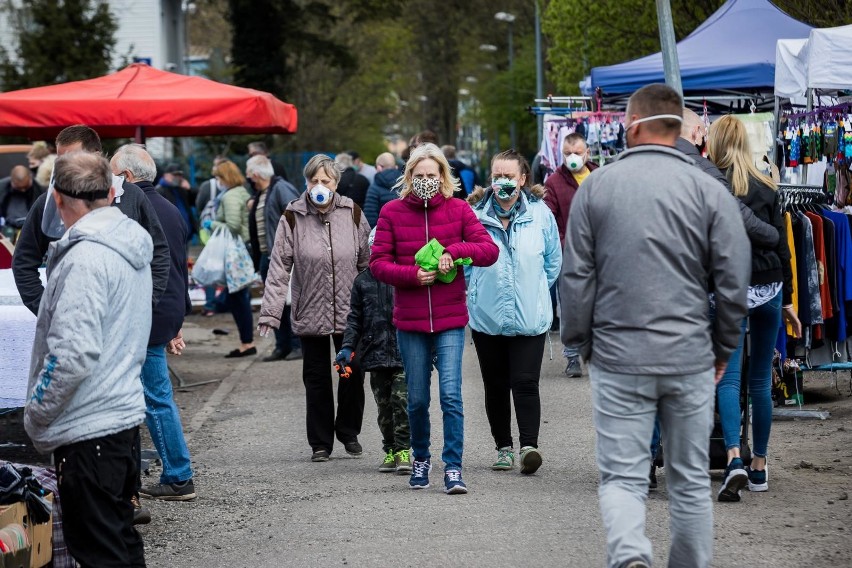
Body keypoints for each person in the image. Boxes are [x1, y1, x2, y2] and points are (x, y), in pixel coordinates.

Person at [561, 84, 750, 568]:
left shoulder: (597, 187)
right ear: (680, 127)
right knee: (688, 481)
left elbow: (577, 276)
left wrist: (579, 342)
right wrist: (724, 347)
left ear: (633, 123)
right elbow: (733, 281)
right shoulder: (710, 189)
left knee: (622, 477)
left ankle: (630, 558)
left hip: (618, 355)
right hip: (689, 356)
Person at [24, 150, 152, 568]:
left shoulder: (86, 257)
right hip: (118, 420)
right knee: (120, 543)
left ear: (58, 200)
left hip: (89, 429)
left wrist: (38, 413)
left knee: (101, 551)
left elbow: (72, 354)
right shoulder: (125, 242)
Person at [370, 142, 499, 494]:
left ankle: (453, 466)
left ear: (443, 176)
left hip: (450, 319)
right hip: (410, 321)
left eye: (432, 174)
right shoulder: (391, 213)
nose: (426, 180)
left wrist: (455, 253)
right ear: (409, 177)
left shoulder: (458, 210)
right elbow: (378, 264)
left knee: (451, 396)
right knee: (416, 398)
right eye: (420, 175)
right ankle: (422, 459)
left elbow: (489, 250)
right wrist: (412, 275)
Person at [707, 115, 800, 502]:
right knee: (761, 380)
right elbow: (782, 246)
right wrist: (791, 300)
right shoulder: (767, 186)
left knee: (728, 378)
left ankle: (733, 458)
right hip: (769, 286)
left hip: (728, 289)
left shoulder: (712, 187)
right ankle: (760, 466)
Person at [258, 154, 371, 462]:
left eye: (326, 181)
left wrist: (373, 310)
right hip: (310, 308)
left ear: (336, 183)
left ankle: (348, 431)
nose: (319, 186)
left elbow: (367, 265)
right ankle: (320, 442)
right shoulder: (292, 217)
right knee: (316, 376)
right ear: (305, 182)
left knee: (352, 372)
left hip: (350, 313)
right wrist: (270, 312)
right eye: (314, 180)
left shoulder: (354, 213)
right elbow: (279, 267)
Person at [110, 144, 196, 502]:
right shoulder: (170, 209)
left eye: (114, 175)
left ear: (127, 177)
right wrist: (177, 319)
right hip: (165, 310)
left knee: (156, 398)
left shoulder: (131, 209)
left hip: (146, 314)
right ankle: (176, 473)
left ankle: (178, 476)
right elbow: (177, 267)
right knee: (156, 396)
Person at [466, 149, 561, 475]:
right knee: (495, 385)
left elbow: (552, 263)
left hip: (529, 316)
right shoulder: (474, 215)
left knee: (525, 382)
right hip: (486, 316)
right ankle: (503, 447)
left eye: (509, 176)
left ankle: (528, 447)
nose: (502, 182)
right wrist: (475, 292)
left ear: (522, 178)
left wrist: (532, 291)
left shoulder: (541, 215)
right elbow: (466, 264)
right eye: (497, 176)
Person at [12, 125, 170, 317]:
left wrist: (146, 302)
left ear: (96, 155)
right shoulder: (50, 201)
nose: (66, 167)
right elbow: (23, 261)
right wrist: (45, 308)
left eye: (73, 158)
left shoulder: (131, 194)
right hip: (70, 323)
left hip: (123, 321)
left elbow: (159, 251)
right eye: (61, 160)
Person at [338, 227, 411, 474]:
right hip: (375, 353)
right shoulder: (362, 281)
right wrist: (348, 347)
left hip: (404, 352)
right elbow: (354, 318)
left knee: (402, 402)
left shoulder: (404, 274)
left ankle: (404, 450)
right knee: (384, 407)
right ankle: (389, 448)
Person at [544, 132, 598, 378]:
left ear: (587, 152)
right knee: (569, 306)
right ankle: (572, 356)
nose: (573, 157)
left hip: (598, 253)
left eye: (577, 152)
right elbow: (549, 219)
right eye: (568, 153)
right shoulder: (554, 182)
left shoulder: (598, 176)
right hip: (569, 255)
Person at [245, 154, 302, 362]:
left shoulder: (281, 188)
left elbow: (297, 219)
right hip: (267, 256)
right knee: (275, 303)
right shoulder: (262, 192)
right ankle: (282, 345)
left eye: (249, 173)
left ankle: (296, 345)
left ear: (256, 173)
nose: (248, 177)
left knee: (290, 301)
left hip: (282, 257)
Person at [201, 160, 256, 358]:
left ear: (225, 177)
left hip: (236, 250)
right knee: (239, 296)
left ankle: (247, 343)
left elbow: (233, 225)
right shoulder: (241, 191)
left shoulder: (230, 196)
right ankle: (246, 341)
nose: (217, 181)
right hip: (244, 248)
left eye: (218, 177)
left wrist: (212, 224)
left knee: (237, 298)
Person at [0, 166, 44, 240]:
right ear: (12, 181)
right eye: (19, 188)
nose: (23, 191)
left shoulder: (39, 190)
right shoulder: (2, 189)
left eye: (26, 187)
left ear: (31, 178)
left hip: (30, 227)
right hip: (6, 227)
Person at [156, 163, 197, 242]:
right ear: (165, 175)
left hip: (185, 234)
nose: (177, 178)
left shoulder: (181, 189)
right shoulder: (159, 190)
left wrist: (189, 189)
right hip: (170, 235)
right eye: (174, 175)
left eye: (179, 175)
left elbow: (195, 202)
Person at [363, 152, 402, 227]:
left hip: (383, 231)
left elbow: (370, 216)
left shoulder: (374, 188)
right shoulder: (406, 184)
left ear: (379, 167)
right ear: (396, 167)